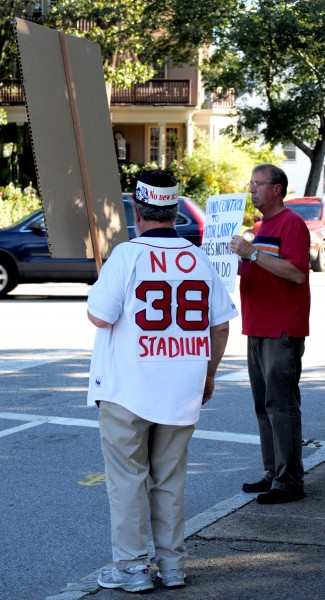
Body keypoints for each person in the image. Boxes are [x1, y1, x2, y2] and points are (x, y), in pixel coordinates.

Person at [87, 171, 238, 593]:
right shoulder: (198, 258)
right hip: (182, 388)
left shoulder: (126, 256)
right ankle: (172, 568)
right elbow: (221, 326)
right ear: (173, 210)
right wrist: (208, 374)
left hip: (127, 389)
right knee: (170, 480)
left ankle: (133, 569)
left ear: (138, 210)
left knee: (128, 481)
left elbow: (100, 316)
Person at [231, 163, 310, 505]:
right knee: (264, 405)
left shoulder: (290, 223)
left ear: (276, 189)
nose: (251, 190)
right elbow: (256, 266)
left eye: (257, 184)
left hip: (281, 327)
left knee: (281, 405)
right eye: (250, 184)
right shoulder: (259, 227)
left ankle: (289, 480)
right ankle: (273, 472)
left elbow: (296, 274)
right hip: (256, 325)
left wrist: (253, 254)